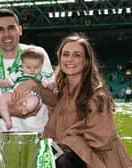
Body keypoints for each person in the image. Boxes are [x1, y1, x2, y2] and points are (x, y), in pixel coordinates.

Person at [0, 8, 54, 168]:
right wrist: (10, 111)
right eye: (0, 30)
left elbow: (53, 99)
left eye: (11, 28)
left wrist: (34, 85)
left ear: (20, 30)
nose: (6, 34)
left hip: (37, 130)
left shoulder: (38, 54)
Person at [42, 33, 132, 168]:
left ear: (86, 61)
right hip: (68, 155)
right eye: (65, 54)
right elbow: (52, 130)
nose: (70, 59)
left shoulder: (97, 93)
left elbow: (102, 135)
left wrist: (67, 140)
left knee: (62, 159)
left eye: (77, 55)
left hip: (98, 158)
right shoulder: (60, 93)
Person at [0, 45, 54, 129]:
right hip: (15, 93)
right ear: (22, 65)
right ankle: (7, 119)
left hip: (31, 95)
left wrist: (49, 84)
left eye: (36, 67)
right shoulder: (19, 73)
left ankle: (25, 109)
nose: (32, 70)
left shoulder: (40, 76)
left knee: (35, 100)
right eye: (28, 67)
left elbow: (48, 85)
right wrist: (2, 83)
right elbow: (10, 81)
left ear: (41, 66)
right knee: (2, 98)